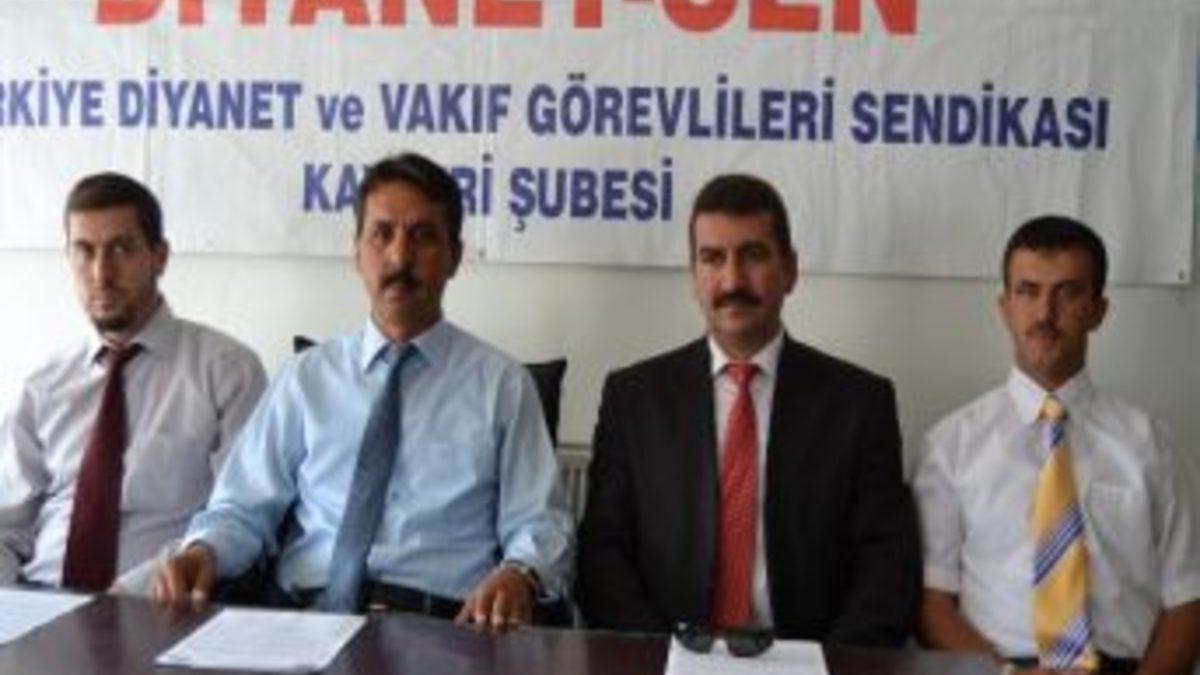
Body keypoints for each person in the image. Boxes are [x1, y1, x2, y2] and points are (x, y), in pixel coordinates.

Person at [152, 151, 573, 630]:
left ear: (455, 257)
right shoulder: (305, 379)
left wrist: (519, 573)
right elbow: (243, 509)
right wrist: (204, 550)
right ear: (356, 253)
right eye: (382, 234)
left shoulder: (503, 386)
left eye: (423, 236)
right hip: (303, 620)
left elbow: (539, 523)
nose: (399, 258)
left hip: (441, 628)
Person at [575, 174, 919, 645]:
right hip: (670, 656)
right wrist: (663, 658)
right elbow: (602, 556)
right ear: (693, 274)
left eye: (753, 255)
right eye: (712, 258)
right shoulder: (634, 399)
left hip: (809, 660)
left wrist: (829, 665)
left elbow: (886, 567)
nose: (733, 281)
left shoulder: (859, 404)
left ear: (790, 269)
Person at [914, 216, 1200, 674]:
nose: (1045, 314)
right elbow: (932, 604)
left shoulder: (1152, 446)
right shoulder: (951, 446)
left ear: (1098, 310)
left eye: (1067, 293)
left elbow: (1187, 601)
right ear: (1005, 307)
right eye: (1028, 291)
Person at [0, 172, 266, 591]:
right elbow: (6, 526)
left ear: (159, 257)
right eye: (84, 252)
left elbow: (241, 518)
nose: (101, 274)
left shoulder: (227, 371)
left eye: (121, 249)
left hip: (155, 603)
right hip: (38, 598)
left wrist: (140, 590)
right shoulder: (43, 385)